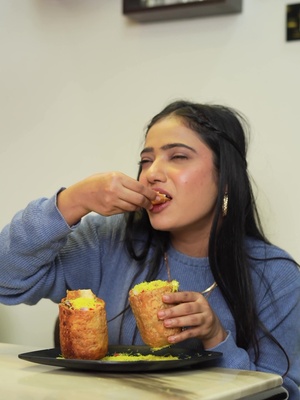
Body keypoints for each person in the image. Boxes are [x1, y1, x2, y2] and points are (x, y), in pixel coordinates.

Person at [0, 100, 299, 398]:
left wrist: (216, 338)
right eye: (146, 160)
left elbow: (283, 393)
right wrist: (72, 201)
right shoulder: (108, 241)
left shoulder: (277, 276)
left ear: (225, 180)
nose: (152, 173)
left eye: (178, 156)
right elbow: (6, 279)